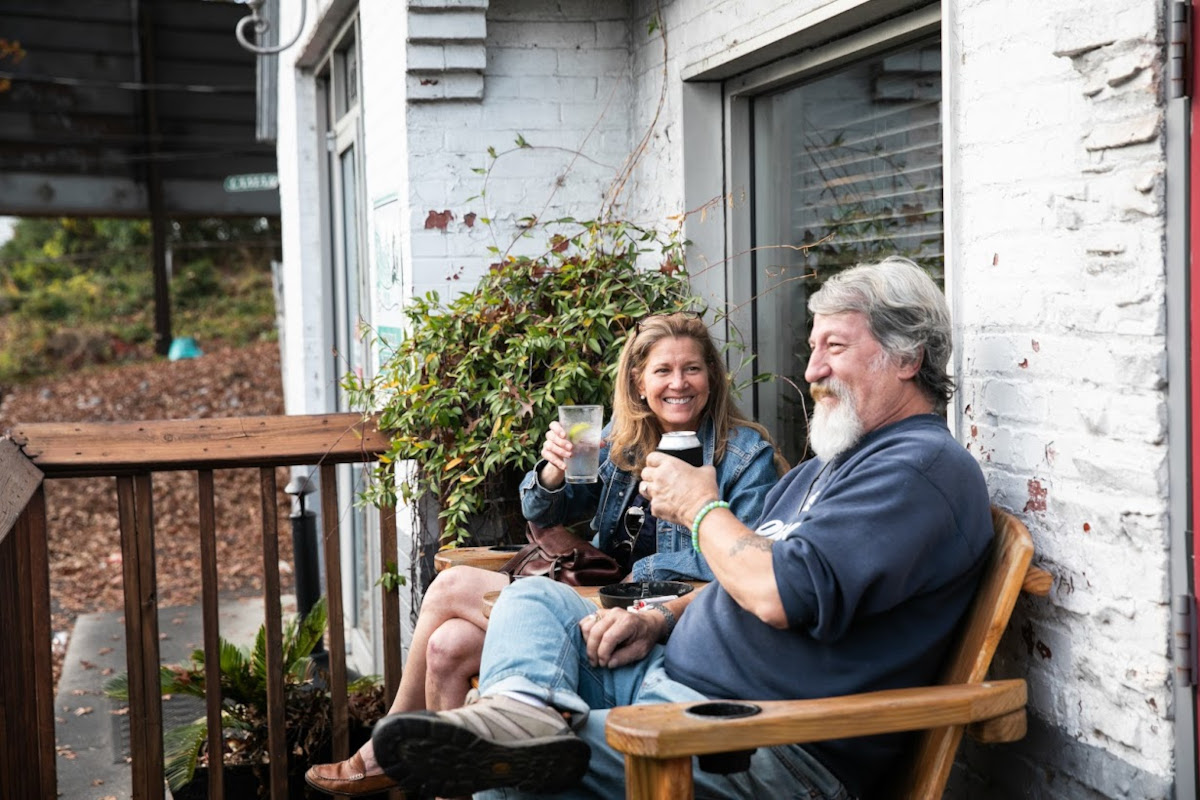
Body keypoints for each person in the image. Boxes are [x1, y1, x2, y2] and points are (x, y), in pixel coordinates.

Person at [365, 256, 995, 800]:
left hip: (756, 740)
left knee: (514, 769)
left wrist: (700, 508)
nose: (811, 371)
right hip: (675, 679)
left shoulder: (921, 470)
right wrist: (657, 620)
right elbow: (739, 572)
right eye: (812, 348)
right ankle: (526, 712)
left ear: (907, 357)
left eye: (835, 347)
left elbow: (773, 590)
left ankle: (519, 737)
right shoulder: (831, 467)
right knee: (533, 600)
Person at [305, 311, 783, 797]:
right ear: (639, 382)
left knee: (451, 586)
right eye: (663, 370)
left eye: (692, 369)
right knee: (447, 645)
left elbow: (742, 571)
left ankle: (381, 751)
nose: (678, 383)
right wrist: (554, 471)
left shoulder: (743, 457)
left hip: (656, 624)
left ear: (712, 378)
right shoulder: (622, 442)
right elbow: (541, 509)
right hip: (601, 603)